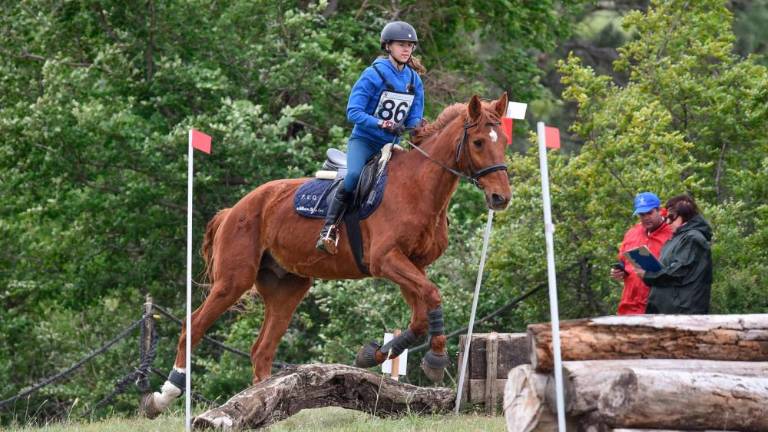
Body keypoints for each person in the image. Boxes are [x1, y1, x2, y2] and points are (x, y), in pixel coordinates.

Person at [316, 21, 425, 254]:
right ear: (388, 46)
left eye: (410, 46)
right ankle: (329, 229)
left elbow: (415, 117)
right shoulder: (372, 74)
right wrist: (382, 123)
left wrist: (417, 127)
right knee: (354, 175)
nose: (406, 49)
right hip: (365, 142)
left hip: (392, 146)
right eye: (401, 45)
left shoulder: (414, 81)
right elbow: (353, 112)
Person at [637, 194, 713, 314]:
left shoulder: (693, 238)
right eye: (666, 217)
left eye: (671, 217)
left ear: (683, 216)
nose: (667, 222)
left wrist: (648, 275)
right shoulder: (678, 237)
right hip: (667, 310)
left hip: (682, 312)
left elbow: (678, 271)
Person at [610, 192, 673, 314]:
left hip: (657, 307)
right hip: (628, 305)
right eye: (641, 214)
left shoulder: (671, 234)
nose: (645, 217)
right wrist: (619, 271)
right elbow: (623, 261)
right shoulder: (632, 233)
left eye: (649, 213)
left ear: (659, 211)